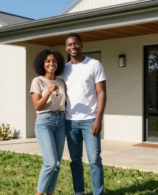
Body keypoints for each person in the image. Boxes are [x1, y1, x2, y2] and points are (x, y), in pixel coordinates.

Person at [62, 33, 107, 195]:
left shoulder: (94, 64)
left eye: (75, 44)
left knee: (95, 160)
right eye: (69, 45)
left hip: (90, 121)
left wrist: (98, 119)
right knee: (75, 161)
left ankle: (98, 193)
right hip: (70, 121)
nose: (72, 47)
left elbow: (101, 93)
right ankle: (79, 192)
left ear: (82, 45)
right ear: (66, 48)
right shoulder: (64, 69)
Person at [30, 49, 66, 195]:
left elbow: (65, 103)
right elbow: (37, 105)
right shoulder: (37, 81)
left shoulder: (61, 81)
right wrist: (48, 92)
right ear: (42, 63)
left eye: (54, 61)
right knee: (50, 163)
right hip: (45, 121)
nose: (52, 64)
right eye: (48, 61)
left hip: (61, 121)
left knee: (57, 165)